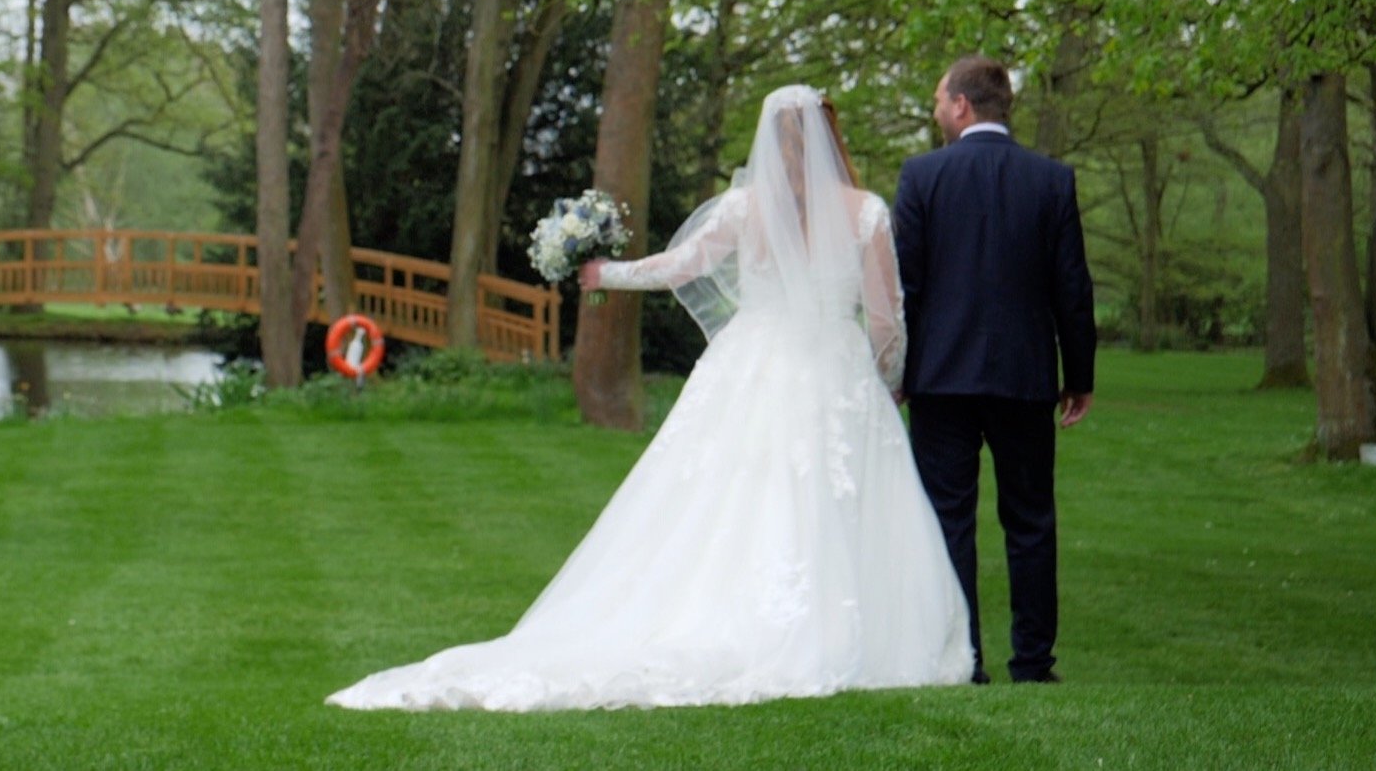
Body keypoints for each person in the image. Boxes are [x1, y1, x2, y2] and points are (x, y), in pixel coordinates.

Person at [326, 85, 973, 712]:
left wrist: (607, 274)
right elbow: (887, 318)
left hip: (750, 364)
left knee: (732, 497)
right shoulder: (865, 213)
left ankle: (735, 615)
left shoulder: (744, 209)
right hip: (834, 369)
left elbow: (678, 267)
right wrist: (889, 379)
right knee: (837, 500)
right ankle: (841, 630)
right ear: (833, 138)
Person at [891, 56, 1096, 686]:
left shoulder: (921, 176)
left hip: (940, 380)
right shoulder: (1051, 179)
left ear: (961, 106)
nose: (934, 111)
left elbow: (907, 287)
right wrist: (1079, 375)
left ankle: (964, 662)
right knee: (1031, 521)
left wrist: (897, 370)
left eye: (937, 100)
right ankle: (1033, 664)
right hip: (1024, 378)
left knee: (949, 520)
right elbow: (1072, 288)